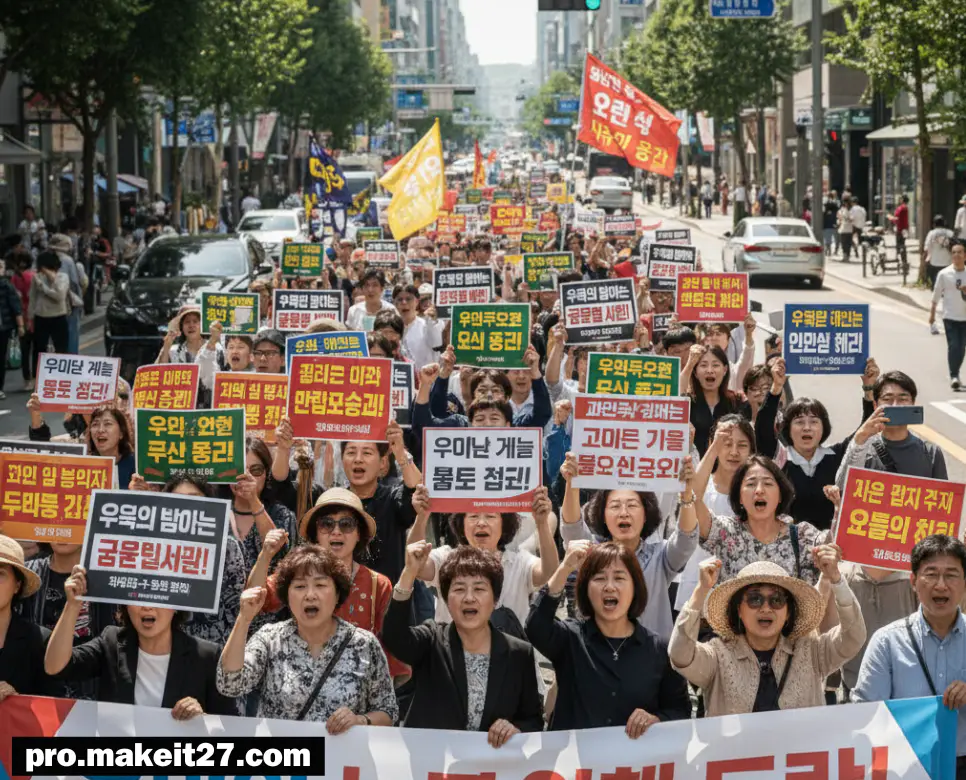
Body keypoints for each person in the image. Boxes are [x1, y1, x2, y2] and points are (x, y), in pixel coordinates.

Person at [217, 546, 398, 728]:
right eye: (300, 586)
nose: (310, 595)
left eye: (320, 585)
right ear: (287, 596)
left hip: (342, 755)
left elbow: (388, 711)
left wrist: (360, 720)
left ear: (337, 594)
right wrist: (244, 618)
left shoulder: (363, 644)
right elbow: (229, 684)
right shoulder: (270, 638)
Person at [384, 542, 544, 740]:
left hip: (489, 768)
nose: (469, 598)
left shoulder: (519, 653)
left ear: (495, 600)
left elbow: (533, 720)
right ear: (446, 598)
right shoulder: (431, 640)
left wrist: (514, 729)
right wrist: (409, 573)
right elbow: (394, 637)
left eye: (479, 589)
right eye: (459, 589)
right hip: (431, 766)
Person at [249, 487, 410, 684]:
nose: (336, 531)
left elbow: (389, 659)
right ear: (315, 533)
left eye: (346, 524)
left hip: (356, 694)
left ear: (359, 533)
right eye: (326, 524)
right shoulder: (296, 574)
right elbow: (255, 601)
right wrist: (265, 555)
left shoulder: (379, 584)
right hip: (300, 685)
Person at [670, 555, 865, 716]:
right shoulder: (718, 654)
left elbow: (853, 638)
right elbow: (680, 655)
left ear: (788, 612)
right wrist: (700, 591)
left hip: (800, 762)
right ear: (739, 609)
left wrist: (837, 581)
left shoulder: (811, 649)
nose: (765, 608)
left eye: (777, 600)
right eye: (755, 599)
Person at [526, 541, 691, 732]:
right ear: (586, 589)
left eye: (619, 578)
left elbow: (680, 711)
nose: (609, 587)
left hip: (632, 760)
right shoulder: (569, 638)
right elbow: (535, 626)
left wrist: (657, 720)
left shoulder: (660, 650)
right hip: (574, 761)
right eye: (599, 578)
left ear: (635, 587)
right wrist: (565, 568)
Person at [44, 565, 236, 717]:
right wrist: (73, 604)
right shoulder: (111, 641)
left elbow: (229, 724)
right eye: (139, 595)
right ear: (126, 606)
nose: (147, 607)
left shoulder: (206, 656)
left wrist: (201, 718)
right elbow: (55, 666)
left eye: (158, 596)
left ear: (176, 606)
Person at [852, 535, 966, 774]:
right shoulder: (887, 642)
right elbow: (866, 714)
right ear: (913, 581)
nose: (941, 585)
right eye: (931, 574)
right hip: (907, 766)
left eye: (952, 575)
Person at [405, 485, 559, 629]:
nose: (481, 523)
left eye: (491, 516)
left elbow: (549, 573)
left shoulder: (520, 562)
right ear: (461, 524)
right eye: (473, 516)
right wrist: (422, 516)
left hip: (508, 656)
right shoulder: (446, 559)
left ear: (503, 524)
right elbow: (416, 564)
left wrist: (542, 523)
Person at [755, 357, 877, 531]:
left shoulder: (838, 457)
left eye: (814, 421)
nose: (807, 428)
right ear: (787, 428)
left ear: (824, 427)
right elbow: (763, 428)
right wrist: (776, 387)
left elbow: (866, 431)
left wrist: (869, 388)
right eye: (799, 422)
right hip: (786, 548)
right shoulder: (778, 459)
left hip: (829, 549)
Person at [698, 455, 827, 585]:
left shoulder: (802, 535)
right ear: (740, 497)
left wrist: (840, 507)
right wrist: (715, 447)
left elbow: (835, 545)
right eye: (751, 484)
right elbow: (694, 498)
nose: (759, 490)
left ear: (780, 495)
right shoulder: (725, 530)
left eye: (768, 483)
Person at [836, 371, 947, 482]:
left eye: (902, 399)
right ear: (875, 405)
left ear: (912, 403)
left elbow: (945, 497)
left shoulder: (931, 452)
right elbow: (843, 487)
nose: (895, 405)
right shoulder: (863, 449)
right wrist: (859, 440)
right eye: (887, 399)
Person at [0, 535, 56, 702]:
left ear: (17, 585)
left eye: (0, 573)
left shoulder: (39, 640)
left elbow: (52, 707)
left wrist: (18, 701)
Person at [930, 240, 966, 381]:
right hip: (949, 316)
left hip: (964, 317)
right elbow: (936, 294)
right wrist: (932, 314)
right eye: (954, 253)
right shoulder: (944, 274)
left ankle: (955, 371)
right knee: (953, 345)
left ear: (965, 256)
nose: (956, 255)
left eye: (959, 252)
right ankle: (954, 375)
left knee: (961, 347)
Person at [29, 250, 70, 355]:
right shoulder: (37, 277)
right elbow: (32, 297)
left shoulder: (62, 277)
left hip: (59, 315)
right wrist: (30, 318)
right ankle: (37, 371)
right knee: (39, 350)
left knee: (61, 348)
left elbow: (59, 296)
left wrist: (45, 284)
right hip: (41, 316)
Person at [0, 268, 24, 401]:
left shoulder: (5, 285)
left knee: (0, 356)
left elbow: (15, 305)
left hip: (3, 326)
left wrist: (20, 325)